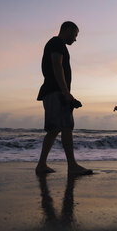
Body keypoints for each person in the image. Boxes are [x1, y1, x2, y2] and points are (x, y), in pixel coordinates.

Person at [36, 21, 92, 175]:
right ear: (67, 30)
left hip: (53, 91)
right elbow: (57, 66)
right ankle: (72, 166)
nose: (75, 39)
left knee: (54, 129)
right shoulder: (57, 42)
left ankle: (42, 165)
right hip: (56, 92)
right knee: (66, 126)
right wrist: (66, 92)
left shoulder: (57, 44)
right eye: (75, 34)